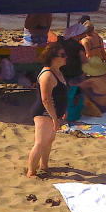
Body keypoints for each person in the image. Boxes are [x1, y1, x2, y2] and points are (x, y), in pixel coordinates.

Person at [26, 43, 68, 178]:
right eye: (62, 55)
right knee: (40, 142)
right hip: (44, 113)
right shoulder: (47, 75)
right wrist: (55, 118)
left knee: (49, 140)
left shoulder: (57, 71)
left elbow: (60, 94)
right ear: (53, 57)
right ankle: (31, 172)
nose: (66, 57)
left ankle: (44, 166)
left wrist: (63, 110)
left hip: (53, 112)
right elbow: (46, 100)